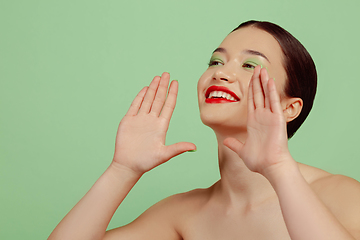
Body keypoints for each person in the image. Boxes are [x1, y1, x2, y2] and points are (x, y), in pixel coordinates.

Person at [48, 20, 360, 240]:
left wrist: (279, 168)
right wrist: (122, 169)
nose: (222, 73)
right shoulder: (184, 214)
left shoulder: (340, 196)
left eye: (250, 65)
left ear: (289, 108)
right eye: (215, 61)